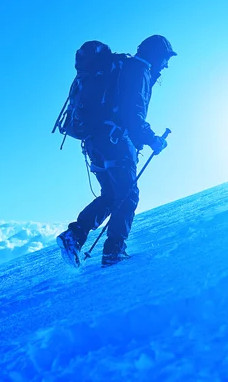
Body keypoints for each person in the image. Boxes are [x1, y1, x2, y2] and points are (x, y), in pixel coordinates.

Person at [57, 35, 176, 268]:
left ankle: (75, 236)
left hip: (94, 143)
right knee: (128, 195)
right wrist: (151, 139)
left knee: (112, 196)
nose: (166, 65)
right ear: (155, 55)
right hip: (115, 142)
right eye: (165, 59)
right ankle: (114, 253)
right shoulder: (138, 70)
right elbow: (134, 114)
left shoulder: (120, 68)